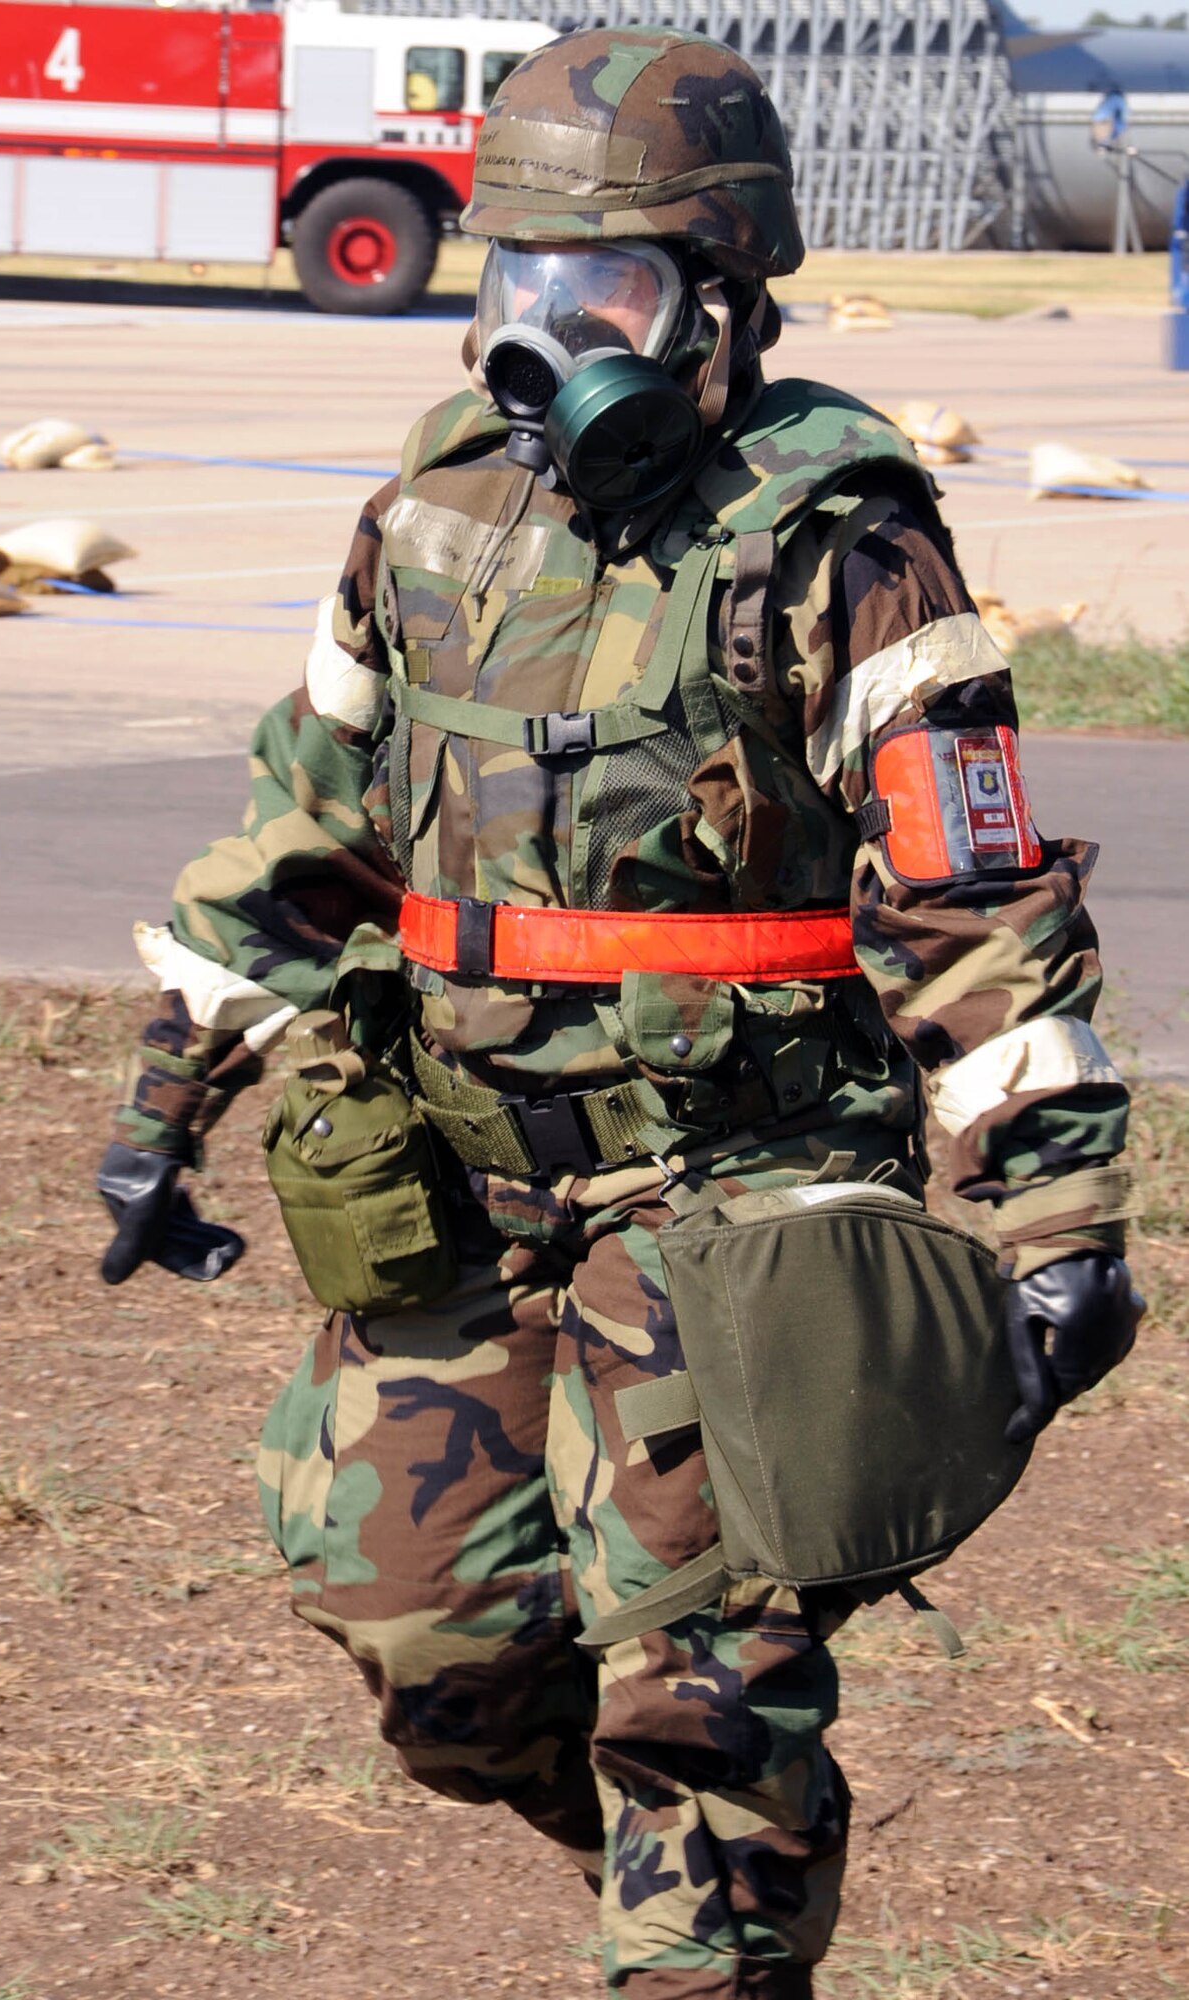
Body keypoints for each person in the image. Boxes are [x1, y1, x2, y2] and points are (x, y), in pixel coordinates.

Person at [97, 27, 1139, 1998]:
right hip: (467, 1187)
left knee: (695, 1709)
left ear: (725, 301)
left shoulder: (831, 532)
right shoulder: (428, 511)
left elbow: (969, 896)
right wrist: (171, 1086)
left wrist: (1055, 1216)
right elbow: (309, 811)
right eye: (516, 284)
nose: (543, 335)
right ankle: (694, 1863)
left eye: (608, 290)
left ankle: (711, 1882)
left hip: (732, 1207)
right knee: (433, 1656)